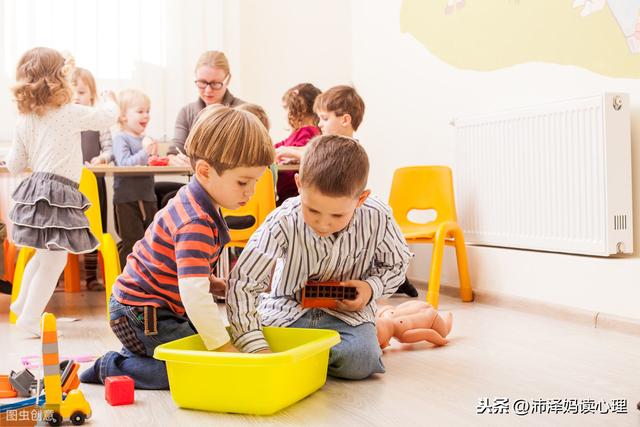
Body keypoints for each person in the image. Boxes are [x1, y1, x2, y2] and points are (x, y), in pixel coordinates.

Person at [80, 105, 275, 389]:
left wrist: (212, 283)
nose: (251, 192)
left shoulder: (201, 200)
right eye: (243, 182)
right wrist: (222, 350)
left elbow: (177, 264)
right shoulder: (195, 220)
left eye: (256, 181)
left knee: (205, 344)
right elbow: (193, 294)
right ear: (205, 171)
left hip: (158, 307)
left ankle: (141, 353)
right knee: (193, 369)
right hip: (141, 311)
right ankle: (113, 366)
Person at [227, 135, 411, 379]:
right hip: (287, 311)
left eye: (337, 215)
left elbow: (397, 263)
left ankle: (305, 358)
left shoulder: (378, 215)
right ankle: (310, 357)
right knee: (264, 342)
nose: (323, 223)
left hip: (347, 316)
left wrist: (370, 288)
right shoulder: (283, 220)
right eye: (312, 210)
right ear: (299, 184)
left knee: (361, 361)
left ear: (361, 199)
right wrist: (256, 347)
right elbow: (243, 282)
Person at [6, 47, 118, 336]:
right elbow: (105, 118)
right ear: (60, 80)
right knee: (54, 259)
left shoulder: (25, 120)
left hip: (35, 189)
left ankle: (21, 304)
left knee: (44, 255)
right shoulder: (69, 113)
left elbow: (16, 164)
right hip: (58, 189)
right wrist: (111, 101)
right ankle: (30, 318)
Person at [278, 85, 418, 297]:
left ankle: (393, 279)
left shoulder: (350, 150)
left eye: (324, 119)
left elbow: (309, 151)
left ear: (344, 120)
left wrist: (287, 151)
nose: (320, 124)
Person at [156, 51, 245, 209]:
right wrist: (173, 157)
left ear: (227, 79)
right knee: (157, 192)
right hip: (203, 183)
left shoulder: (242, 112)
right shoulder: (187, 112)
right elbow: (175, 148)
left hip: (229, 185)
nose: (208, 90)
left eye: (215, 83)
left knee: (172, 200)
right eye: (202, 83)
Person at [70, 66, 114, 291]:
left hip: (93, 184)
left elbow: (108, 149)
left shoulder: (99, 123)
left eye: (81, 92)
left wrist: (101, 158)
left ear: (92, 96)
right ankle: (63, 276)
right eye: (72, 92)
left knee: (93, 229)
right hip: (69, 184)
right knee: (70, 227)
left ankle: (90, 277)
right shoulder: (65, 122)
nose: (76, 97)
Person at [273, 83, 321, 205]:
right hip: (285, 195)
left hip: (295, 197)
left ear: (298, 108)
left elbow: (305, 152)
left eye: (285, 108)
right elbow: (277, 147)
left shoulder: (309, 132)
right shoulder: (296, 134)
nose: (284, 114)